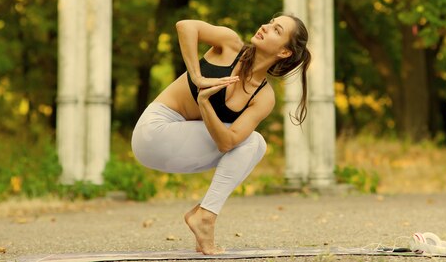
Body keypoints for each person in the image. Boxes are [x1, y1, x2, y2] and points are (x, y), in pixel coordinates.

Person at [131, 13, 311, 254]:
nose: (265, 27)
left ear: (285, 52)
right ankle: (205, 217)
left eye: (276, 30)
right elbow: (185, 26)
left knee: (255, 143)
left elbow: (227, 143)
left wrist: (205, 104)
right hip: (153, 131)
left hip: (177, 146)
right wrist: (196, 76)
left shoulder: (263, 97)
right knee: (253, 142)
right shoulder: (229, 43)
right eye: (269, 22)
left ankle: (205, 215)